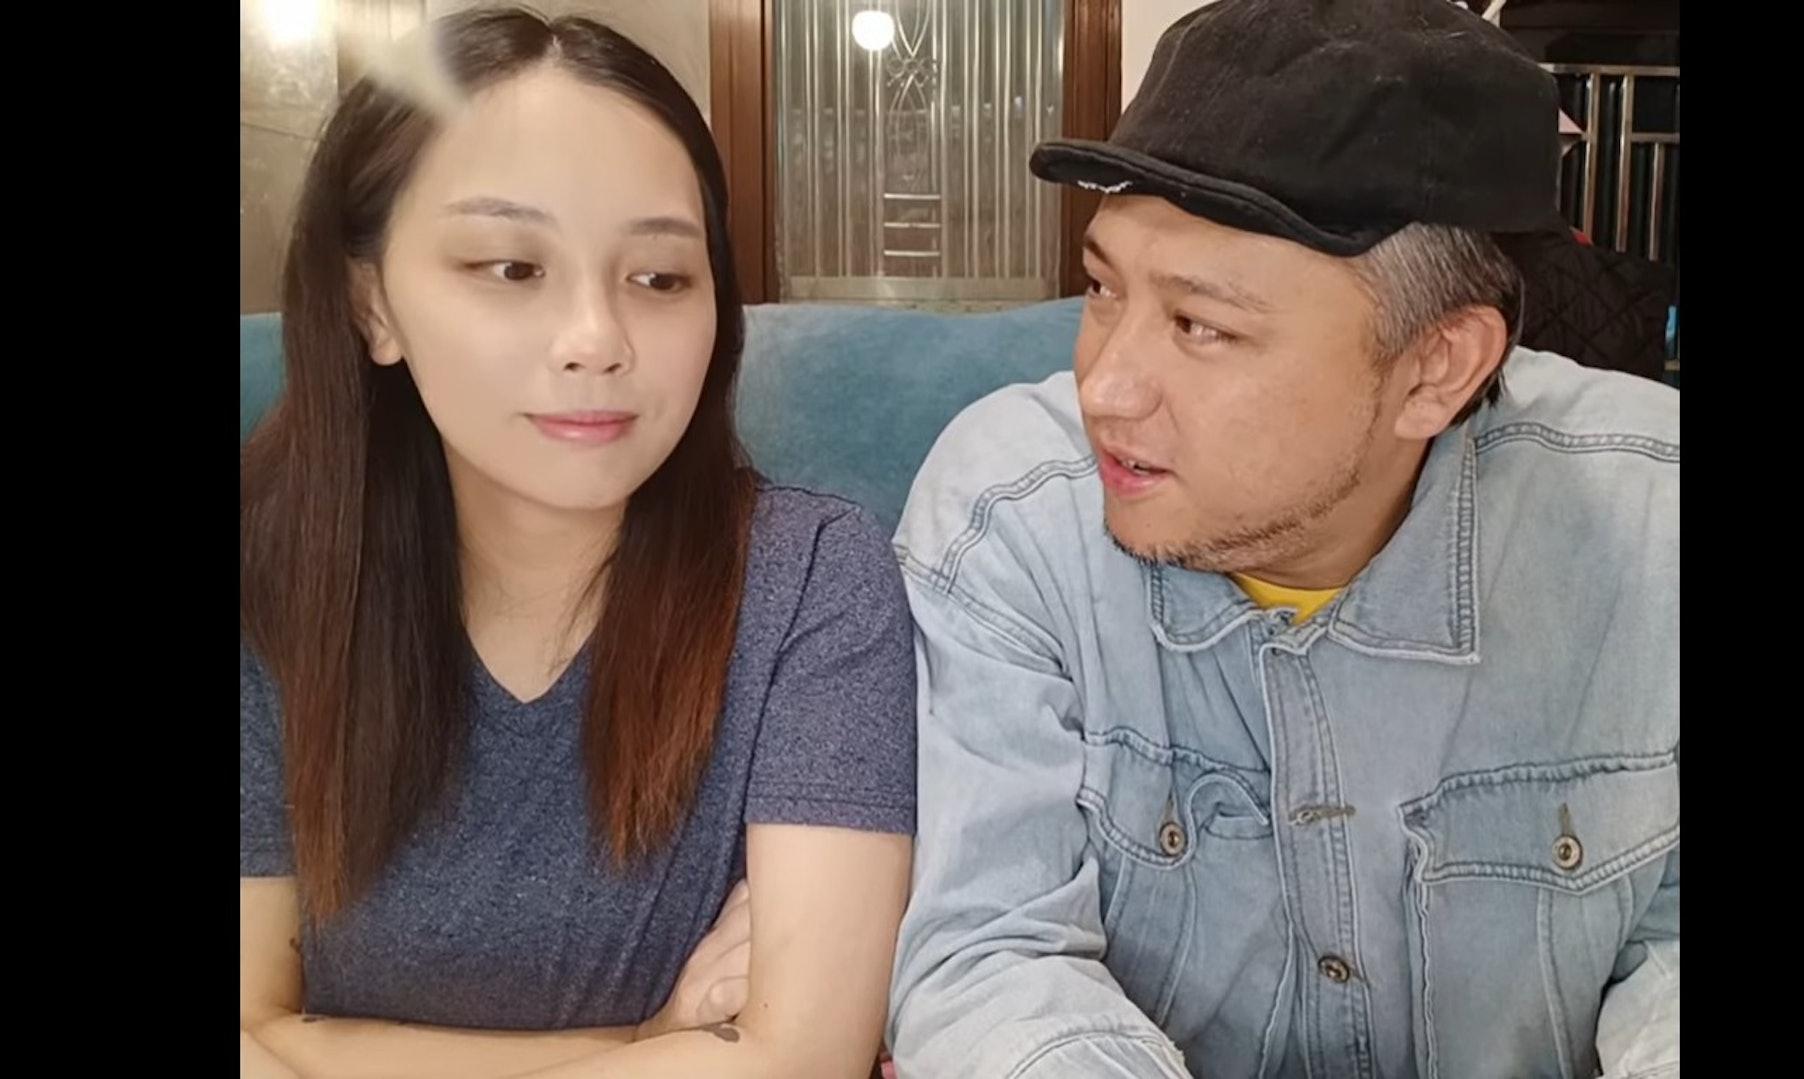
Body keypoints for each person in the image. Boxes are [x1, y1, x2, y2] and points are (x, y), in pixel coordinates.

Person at [886, 2, 1678, 1076]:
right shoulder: (1015, 515)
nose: (1104, 387)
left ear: (1437, 368)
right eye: (1103, 288)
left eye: (1201, 325)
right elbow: (991, 953)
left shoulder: (1650, 529)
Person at [239, 10, 914, 1078]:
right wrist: (648, 1045)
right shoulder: (267, 588)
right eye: (512, 267)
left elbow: (803, 1055)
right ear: (373, 305)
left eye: (660, 277)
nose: (596, 340)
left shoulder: (812, 582)